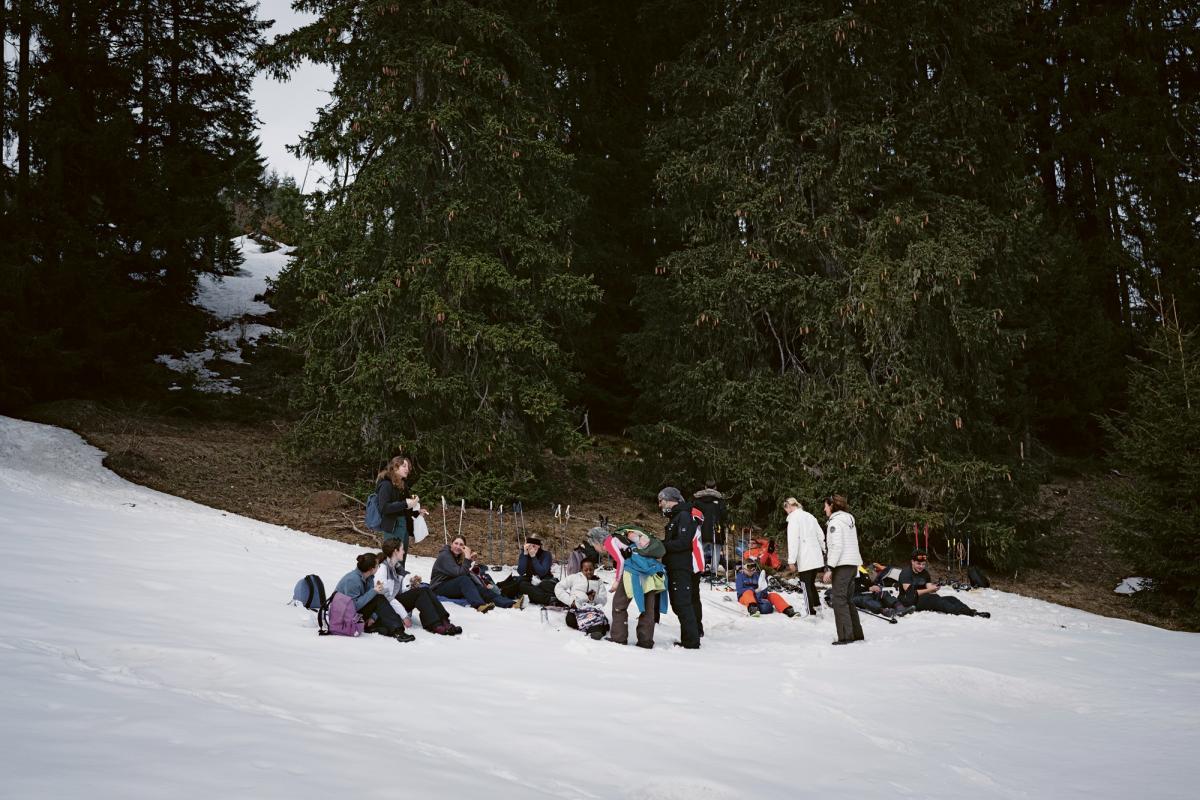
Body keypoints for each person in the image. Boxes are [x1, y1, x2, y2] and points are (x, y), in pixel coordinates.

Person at [375, 540, 462, 635]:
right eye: (402, 549)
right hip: (387, 607)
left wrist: (411, 584)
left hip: (395, 602)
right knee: (420, 592)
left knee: (425, 589)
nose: (404, 552)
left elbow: (399, 588)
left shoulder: (395, 566)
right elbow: (387, 597)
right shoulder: (383, 569)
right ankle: (435, 625)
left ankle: (444, 621)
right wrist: (404, 616)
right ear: (395, 551)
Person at [604, 526, 668, 649]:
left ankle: (619, 637)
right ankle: (646, 641)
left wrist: (617, 581)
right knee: (648, 608)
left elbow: (621, 561)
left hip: (632, 571)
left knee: (619, 605)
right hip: (651, 570)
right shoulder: (642, 540)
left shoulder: (610, 540)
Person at [333, 552, 416, 642]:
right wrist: (374, 591)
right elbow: (353, 606)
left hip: (356, 613)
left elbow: (368, 601)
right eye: (377, 565)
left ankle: (373, 627)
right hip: (344, 616)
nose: (379, 567)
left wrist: (373, 617)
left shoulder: (369, 578)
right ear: (371, 569)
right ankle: (398, 631)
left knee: (384, 623)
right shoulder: (352, 580)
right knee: (379, 598)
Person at [659, 486, 704, 648]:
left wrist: (661, 546)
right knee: (685, 602)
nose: (660, 505)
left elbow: (684, 542)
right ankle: (693, 635)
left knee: (682, 603)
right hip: (680, 565)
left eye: (662, 501)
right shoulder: (678, 516)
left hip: (683, 566)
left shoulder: (684, 515)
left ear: (671, 500)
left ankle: (691, 641)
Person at [898, 549, 991, 618]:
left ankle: (970, 611)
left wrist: (934, 588)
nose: (921, 566)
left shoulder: (924, 573)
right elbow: (911, 594)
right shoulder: (906, 573)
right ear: (912, 562)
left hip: (924, 598)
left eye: (923, 564)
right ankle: (968, 613)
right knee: (936, 600)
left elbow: (929, 587)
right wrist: (929, 590)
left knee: (951, 598)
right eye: (918, 564)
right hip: (908, 602)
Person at [430, 536, 514, 612]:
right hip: (439, 587)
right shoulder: (445, 555)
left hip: (452, 583)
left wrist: (469, 559)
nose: (458, 546)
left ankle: (509, 603)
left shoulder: (456, 556)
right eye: (456, 543)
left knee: (478, 587)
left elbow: (464, 571)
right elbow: (459, 573)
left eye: (461, 545)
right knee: (464, 580)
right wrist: (467, 558)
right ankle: (479, 605)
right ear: (451, 544)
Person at [823, 494, 865, 645]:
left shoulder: (835, 523)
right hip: (853, 564)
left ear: (832, 506)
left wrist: (830, 568)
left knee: (839, 600)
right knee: (847, 599)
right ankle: (856, 633)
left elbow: (837, 546)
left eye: (826, 506)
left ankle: (845, 636)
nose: (824, 509)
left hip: (842, 565)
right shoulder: (848, 520)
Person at [375, 456, 428, 564]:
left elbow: (404, 509)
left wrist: (417, 512)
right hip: (393, 527)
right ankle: (388, 580)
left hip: (404, 526)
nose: (407, 469)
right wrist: (405, 503)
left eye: (408, 467)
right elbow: (384, 508)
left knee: (401, 560)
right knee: (392, 561)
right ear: (395, 467)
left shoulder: (402, 485)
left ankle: (400, 580)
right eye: (404, 466)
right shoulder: (386, 484)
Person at [782, 497, 825, 616]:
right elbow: (820, 535)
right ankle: (817, 606)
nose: (785, 511)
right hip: (816, 556)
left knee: (805, 585)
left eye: (785, 508)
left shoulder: (794, 519)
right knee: (811, 583)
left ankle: (810, 612)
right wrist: (824, 550)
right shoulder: (810, 516)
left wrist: (791, 561)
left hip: (805, 557)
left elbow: (793, 541)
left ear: (789, 506)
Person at [554, 557, 610, 639]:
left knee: (595, 617)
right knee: (570, 620)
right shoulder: (574, 577)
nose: (589, 572)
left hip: (592, 609)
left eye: (591, 569)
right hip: (576, 608)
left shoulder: (598, 581)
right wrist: (571, 601)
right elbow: (558, 588)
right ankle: (593, 627)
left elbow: (604, 600)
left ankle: (593, 629)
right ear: (581, 569)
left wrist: (595, 598)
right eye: (586, 570)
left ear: (594, 569)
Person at [692, 479, 729, 574]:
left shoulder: (697, 500)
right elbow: (724, 515)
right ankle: (714, 571)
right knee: (716, 550)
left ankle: (700, 569)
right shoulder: (720, 500)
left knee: (700, 550)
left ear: (705, 487)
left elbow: (693, 514)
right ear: (715, 487)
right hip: (717, 530)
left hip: (701, 529)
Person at [512, 537, 559, 606]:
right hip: (530, 581)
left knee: (544, 585)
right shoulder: (524, 554)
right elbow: (521, 572)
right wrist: (525, 554)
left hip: (545, 580)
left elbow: (542, 572)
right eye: (529, 545)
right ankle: (549, 599)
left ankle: (536, 596)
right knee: (522, 585)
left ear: (539, 546)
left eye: (534, 545)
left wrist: (533, 557)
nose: (532, 547)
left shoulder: (546, 554)